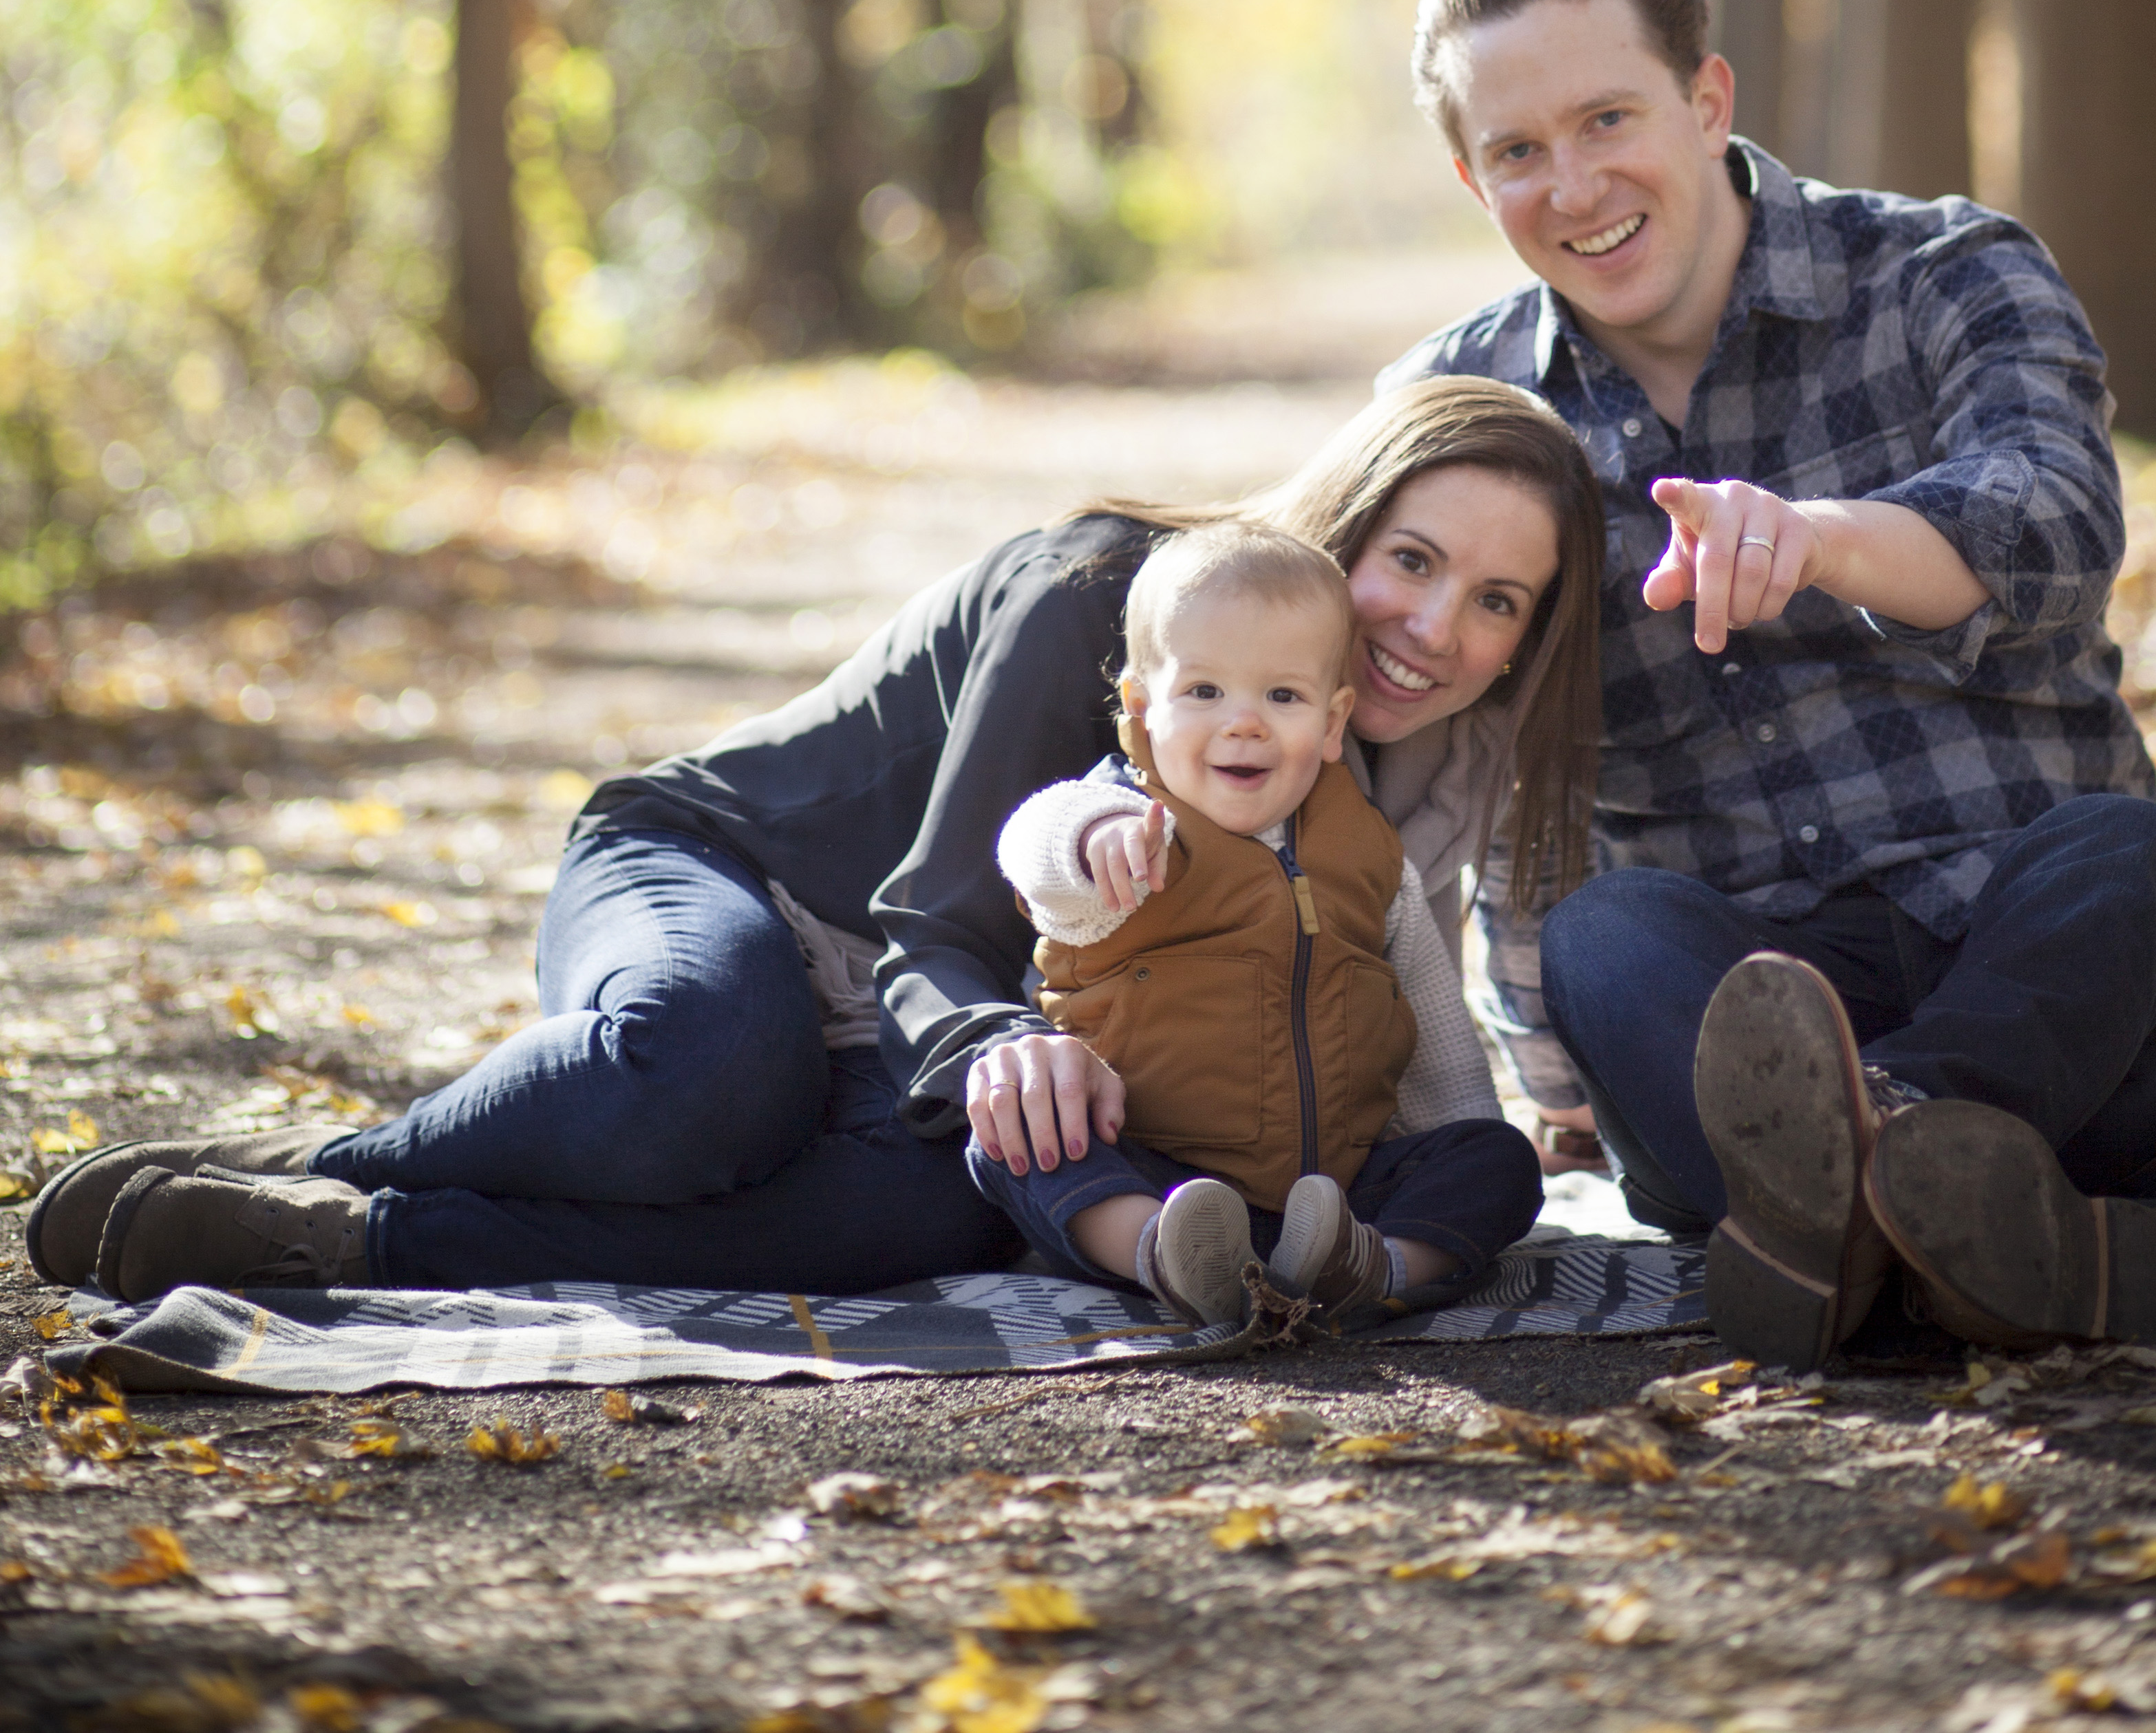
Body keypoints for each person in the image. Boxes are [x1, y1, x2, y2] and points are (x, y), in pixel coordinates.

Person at [46, 378, 1605, 1310]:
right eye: (1411, 558)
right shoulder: (1099, 603)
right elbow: (939, 923)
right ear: (1345, 522)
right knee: (720, 1073)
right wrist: (998, 1034)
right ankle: (335, 1161)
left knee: (933, 1211)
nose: (1434, 627)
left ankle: (359, 1238)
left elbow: (1369, 1005)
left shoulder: (1396, 768)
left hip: (901, 1044)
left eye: (1496, 602)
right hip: (735, 878)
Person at [1380, 0, 2156, 1370]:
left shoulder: (1944, 272)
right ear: (1473, 179)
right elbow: (1407, 704)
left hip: (2059, 990)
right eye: (1519, 151)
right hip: (1736, 1042)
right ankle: (1990, 1235)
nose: (1574, 183)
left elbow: (2055, 525)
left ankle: (1849, 1206)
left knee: (2128, 863)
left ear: (1706, 98)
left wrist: (1825, 537)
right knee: (1614, 931)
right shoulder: (1467, 415)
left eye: (1608, 118)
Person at [973, 521, 1542, 1331]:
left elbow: (1434, 1020)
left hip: (1338, 1191)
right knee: (1018, 1145)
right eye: (1204, 692)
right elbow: (1032, 845)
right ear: (1141, 706)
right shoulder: (1130, 828)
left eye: (1282, 696)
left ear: (1334, 718)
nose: (1244, 722)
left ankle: (1374, 1266)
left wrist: (1460, 1135)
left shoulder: (1369, 854)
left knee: (1496, 1157)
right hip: (1157, 1166)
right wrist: (1092, 839)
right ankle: (1160, 1254)